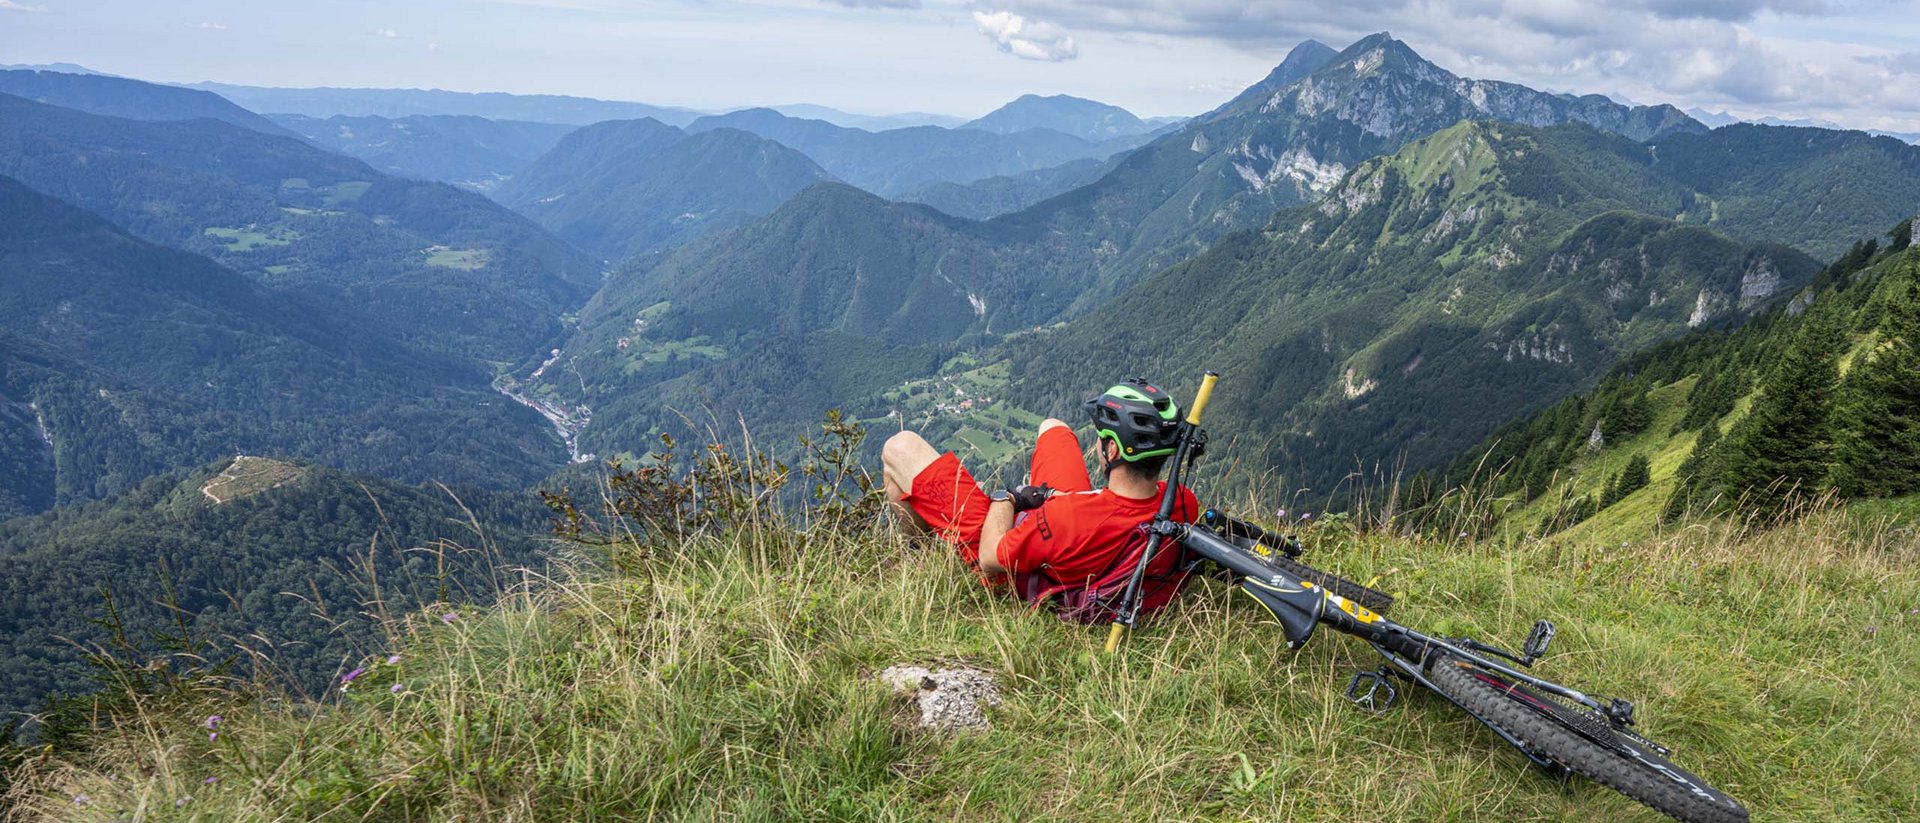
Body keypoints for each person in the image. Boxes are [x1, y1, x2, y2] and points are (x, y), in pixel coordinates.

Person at [880, 379, 1202, 601]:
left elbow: (992, 558)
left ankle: (917, 553)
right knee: (1054, 428)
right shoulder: (1182, 503)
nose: (1098, 443)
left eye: (1102, 437)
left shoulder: (1066, 518)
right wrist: (1065, 500)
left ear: (1114, 452)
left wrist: (1010, 499)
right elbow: (1106, 513)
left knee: (899, 447)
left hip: (1011, 568)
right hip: (1077, 529)